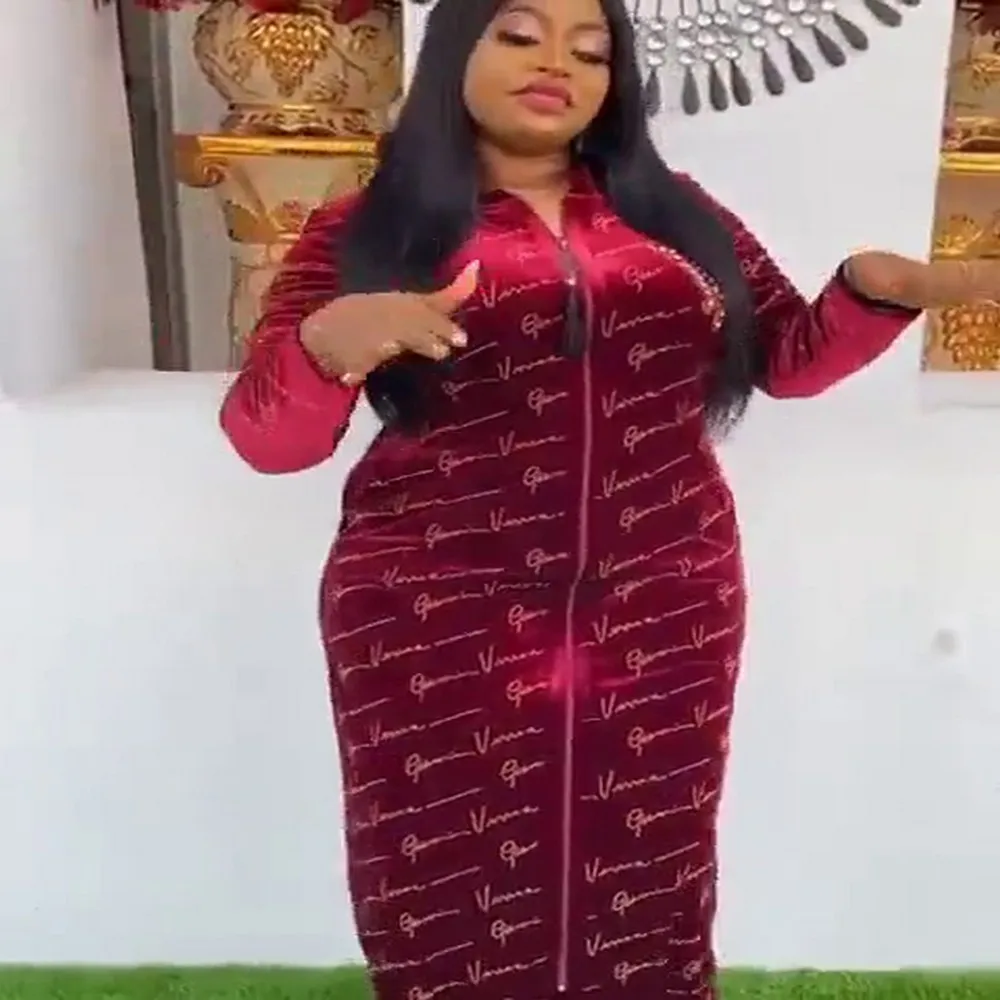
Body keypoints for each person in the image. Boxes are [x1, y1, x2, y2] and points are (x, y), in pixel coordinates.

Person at [219, 0, 997, 996]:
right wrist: (325, 347)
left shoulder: (675, 217)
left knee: (650, 865)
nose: (557, 64)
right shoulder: (366, 230)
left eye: (590, 52)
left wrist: (870, 293)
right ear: (454, 51)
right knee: (445, 879)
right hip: (433, 609)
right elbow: (267, 441)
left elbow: (787, 361)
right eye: (519, 35)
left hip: (664, 598)